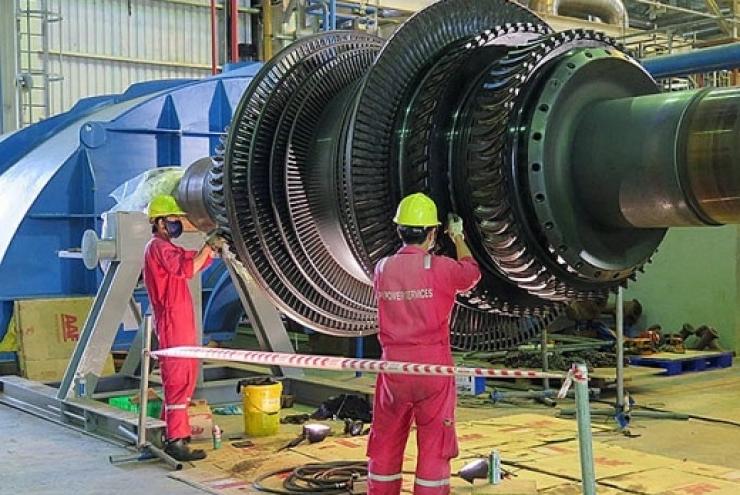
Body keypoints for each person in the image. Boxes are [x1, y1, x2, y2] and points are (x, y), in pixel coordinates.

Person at [367, 192, 481, 495]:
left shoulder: (382, 268)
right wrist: (458, 237)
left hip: (393, 369)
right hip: (432, 369)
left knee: (385, 440)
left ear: (399, 230)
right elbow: (471, 273)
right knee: (434, 444)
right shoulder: (440, 268)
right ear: (432, 233)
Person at [143, 194, 215, 461]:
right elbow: (186, 270)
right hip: (173, 321)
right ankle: (175, 440)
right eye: (174, 219)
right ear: (160, 222)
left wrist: (211, 248)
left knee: (185, 377)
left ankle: (173, 433)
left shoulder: (167, 248)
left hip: (180, 319)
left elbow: (193, 261)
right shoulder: (157, 247)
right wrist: (209, 245)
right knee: (177, 380)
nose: (178, 224)